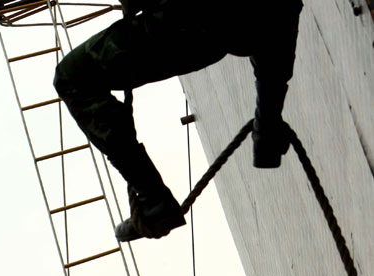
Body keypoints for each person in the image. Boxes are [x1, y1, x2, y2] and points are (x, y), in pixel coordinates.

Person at [53, 0, 303, 242]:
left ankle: (152, 197)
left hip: (196, 19)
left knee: (72, 77)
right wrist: (268, 116)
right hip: (249, 21)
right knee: (268, 14)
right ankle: (267, 129)